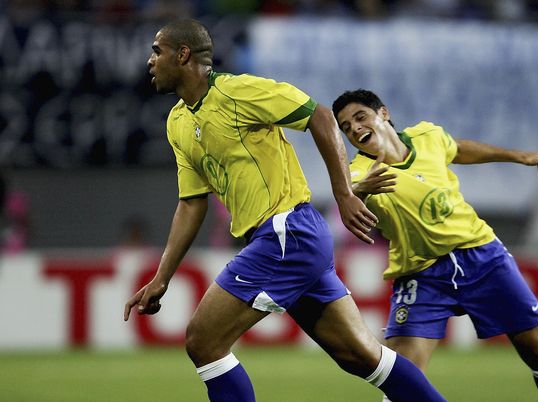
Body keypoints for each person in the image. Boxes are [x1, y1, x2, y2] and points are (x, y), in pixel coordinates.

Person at [122, 20, 446, 402]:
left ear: (183, 55)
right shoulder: (178, 122)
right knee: (362, 357)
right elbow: (192, 203)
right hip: (288, 241)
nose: (150, 60)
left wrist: (343, 194)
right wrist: (162, 277)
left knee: (203, 341)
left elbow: (320, 116)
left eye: (157, 51)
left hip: (286, 232)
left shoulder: (239, 91)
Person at [332, 89, 538, 402]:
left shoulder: (427, 136)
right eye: (345, 126)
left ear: (384, 113)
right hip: (422, 274)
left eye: (359, 117)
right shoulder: (359, 172)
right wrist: (358, 191)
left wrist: (518, 156)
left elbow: (459, 149)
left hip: (482, 257)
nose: (354, 128)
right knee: (403, 374)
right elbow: (348, 192)